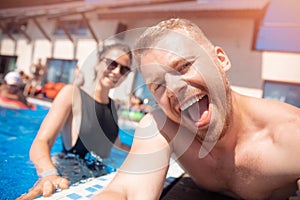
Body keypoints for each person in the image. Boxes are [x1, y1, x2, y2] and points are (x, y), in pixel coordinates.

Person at [92, 18, 300, 200]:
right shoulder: (163, 126)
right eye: (159, 85)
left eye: (183, 66)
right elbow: (126, 191)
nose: (174, 88)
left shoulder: (290, 137)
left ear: (221, 60)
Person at [17, 40, 133, 199]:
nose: (117, 72)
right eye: (112, 64)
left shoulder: (113, 106)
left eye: (124, 69)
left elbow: (117, 145)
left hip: (100, 179)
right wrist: (49, 174)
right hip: (68, 176)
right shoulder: (72, 94)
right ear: (98, 63)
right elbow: (41, 142)